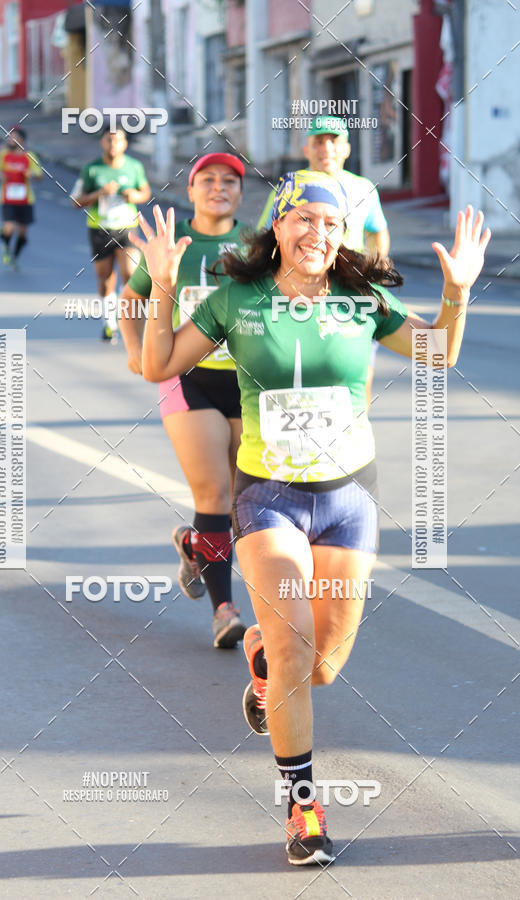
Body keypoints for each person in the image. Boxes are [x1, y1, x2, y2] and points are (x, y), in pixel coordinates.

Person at [139, 170, 490, 865]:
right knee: (296, 650)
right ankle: (303, 809)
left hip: (346, 502)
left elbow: (439, 353)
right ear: (277, 226)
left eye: (331, 224)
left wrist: (458, 291)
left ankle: (262, 660)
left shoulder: (364, 300)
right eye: (303, 218)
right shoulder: (237, 299)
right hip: (268, 498)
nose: (317, 233)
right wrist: (163, 285)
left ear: (342, 236)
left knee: (320, 666)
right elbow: (158, 365)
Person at [119, 152, 248, 650]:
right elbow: (130, 299)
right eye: (207, 179)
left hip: (247, 383)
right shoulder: (173, 247)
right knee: (213, 493)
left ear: (241, 193)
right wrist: (135, 349)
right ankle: (224, 610)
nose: (219, 187)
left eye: (229, 180)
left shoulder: (258, 247)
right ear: (190, 191)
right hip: (187, 379)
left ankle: (195, 544)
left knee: (240, 504)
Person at [258, 116, 391, 407]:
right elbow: (265, 238)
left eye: (334, 141)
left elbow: (378, 230)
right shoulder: (290, 186)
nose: (326, 148)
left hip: (350, 293)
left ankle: (354, 426)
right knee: (299, 374)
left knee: (358, 375)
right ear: (306, 149)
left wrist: (377, 268)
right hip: (298, 295)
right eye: (318, 141)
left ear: (347, 149)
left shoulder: (363, 188)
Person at [71, 126, 151, 343]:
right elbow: (76, 201)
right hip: (100, 229)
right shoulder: (92, 169)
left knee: (130, 274)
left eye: (117, 140)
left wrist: (134, 195)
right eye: (109, 140)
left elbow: (145, 192)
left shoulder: (134, 166)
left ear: (125, 144)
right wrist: (99, 193)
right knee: (106, 278)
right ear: (102, 142)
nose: (113, 144)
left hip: (126, 228)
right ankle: (109, 323)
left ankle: (129, 320)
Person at [0, 126, 42, 270]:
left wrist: (31, 174)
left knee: (23, 233)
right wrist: (1, 175)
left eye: (14, 137)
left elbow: (39, 176)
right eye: (9, 137)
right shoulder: (4, 154)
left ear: (22, 140)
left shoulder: (29, 156)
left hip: (26, 199)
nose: (10, 140)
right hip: (7, 198)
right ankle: (5, 247)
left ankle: (15, 257)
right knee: (9, 228)